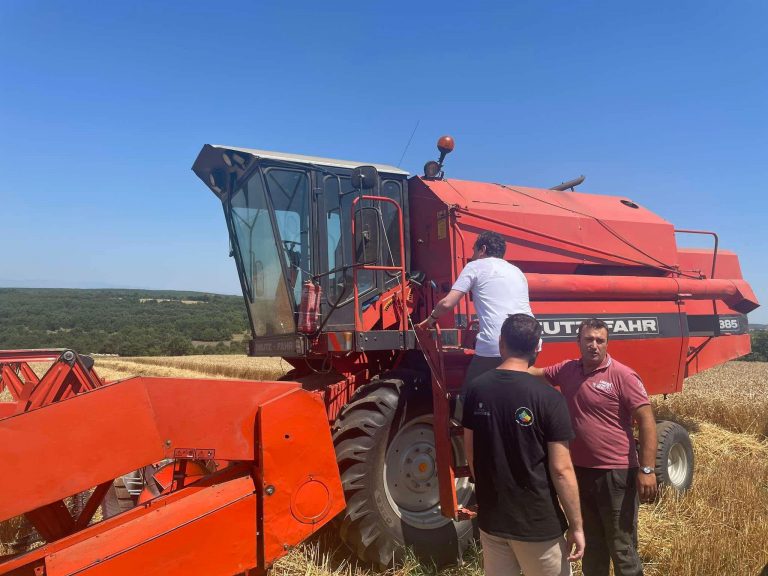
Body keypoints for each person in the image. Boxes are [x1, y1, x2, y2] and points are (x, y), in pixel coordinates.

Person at [529, 318, 657, 576]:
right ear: (578, 342)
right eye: (589, 340)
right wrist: (508, 363)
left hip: (616, 474)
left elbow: (647, 421)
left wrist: (647, 469)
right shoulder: (567, 370)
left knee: (622, 546)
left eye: (600, 340)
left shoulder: (623, 375)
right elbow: (538, 374)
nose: (594, 346)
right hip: (579, 472)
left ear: (607, 343)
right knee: (592, 543)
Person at [462, 313, 585, 576]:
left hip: (493, 521)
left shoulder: (476, 389)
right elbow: (562, 470)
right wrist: (577, 526)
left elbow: (470, 452)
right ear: (537, 347)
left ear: (501, 343)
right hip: (537, 525)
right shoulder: (550, 399)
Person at [417, 231, 532, 391]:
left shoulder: (475, 266)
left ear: (482, 249)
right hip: (531, 344)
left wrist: (430, 320)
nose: (472, 255)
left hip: (499, 344)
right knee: (509, 394)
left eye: (474, 250)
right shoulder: (517, 271)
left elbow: (447, 303)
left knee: (471, 395)